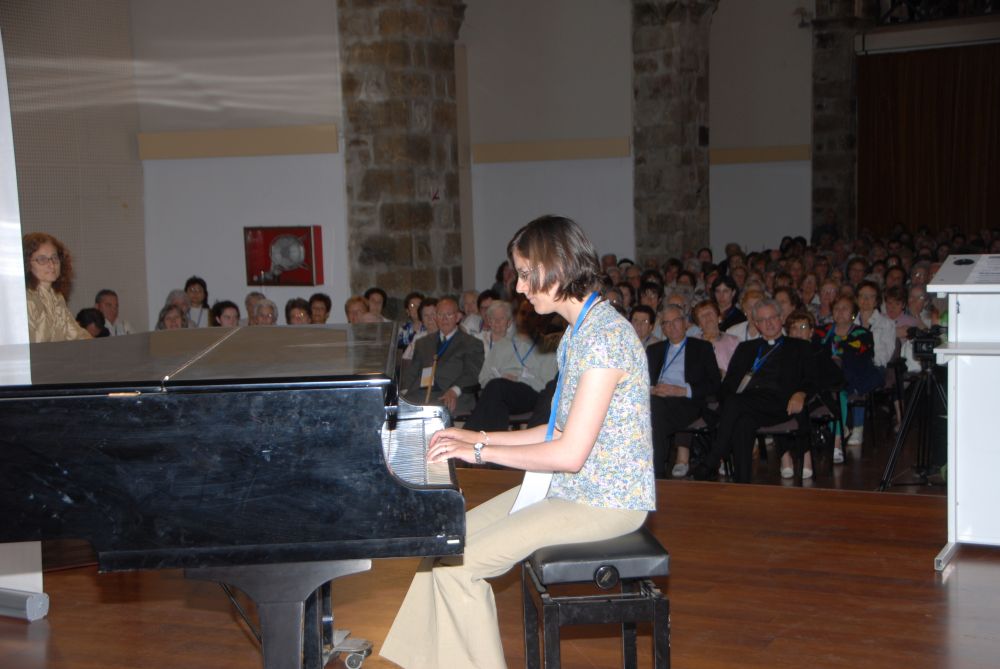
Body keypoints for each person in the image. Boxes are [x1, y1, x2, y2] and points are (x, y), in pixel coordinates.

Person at [381, 215, 653, 669]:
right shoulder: (580, 333)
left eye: (527, 274)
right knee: (447, 545)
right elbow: (555, 430)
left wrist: (478, 452)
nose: (521, 288)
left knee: (463, 570)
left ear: (557, 265)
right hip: (571, 490)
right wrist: (477, 434)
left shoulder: (605, 339)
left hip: (605, 500)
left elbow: (568, 453)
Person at [691, 299, 816, 483]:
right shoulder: (746, 348)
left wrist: (801, 393)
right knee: (742, 422)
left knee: (736, 404)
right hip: (748, 404)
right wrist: (726, 403)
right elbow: (729, 385)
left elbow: (813, 378)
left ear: (781, 319)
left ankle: (713, 457)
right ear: (756, 324)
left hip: (782, 403)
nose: (769, 323)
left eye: (773, 317)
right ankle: (742, 483)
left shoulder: (799, 346)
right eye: (763, 320)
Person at [647, 303, 721, 478]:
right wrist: (653, 389)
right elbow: (644, 381)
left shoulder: (702, 348)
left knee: (653, 414)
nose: (671, 326)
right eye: (666, 323)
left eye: (676, 321)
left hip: (687, 402)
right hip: (658, 399)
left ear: (686, 323)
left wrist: (682, 390)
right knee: (652, 409)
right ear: (662, 328)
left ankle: (655, 472)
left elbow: (715, 384)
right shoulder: (654, 350)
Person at [464, 300, 558, 432]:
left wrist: (521, 378)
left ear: (538, 320)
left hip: (530, 394)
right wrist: (502, 378)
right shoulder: (502, 344)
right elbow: (483, 378)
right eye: (523, 314)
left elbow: (548, 386)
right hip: (498, 391)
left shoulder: (547, 347)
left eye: (531, 315)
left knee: (497, 389)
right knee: (497, 398)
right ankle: (490, 444)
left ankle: (468, 436)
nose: (525, 319)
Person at [398, 296, 485, 415]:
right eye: (440, 315)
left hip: (449, 393)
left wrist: (455, 390)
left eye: (449, 315)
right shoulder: (423, 343)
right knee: (396, 409)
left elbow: (472, 372)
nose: (444, 319)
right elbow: (412, 372)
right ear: (435, 318)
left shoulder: (471, 343)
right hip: (421, 392)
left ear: (458, 317)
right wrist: (403, 394)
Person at [23, 232, 91, 343]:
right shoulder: (27, 300)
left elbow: (76, 335)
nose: (51, 264)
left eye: (54, 257)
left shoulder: (57, 297)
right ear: (27, 264)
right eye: (42, 259)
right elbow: (29, 347)